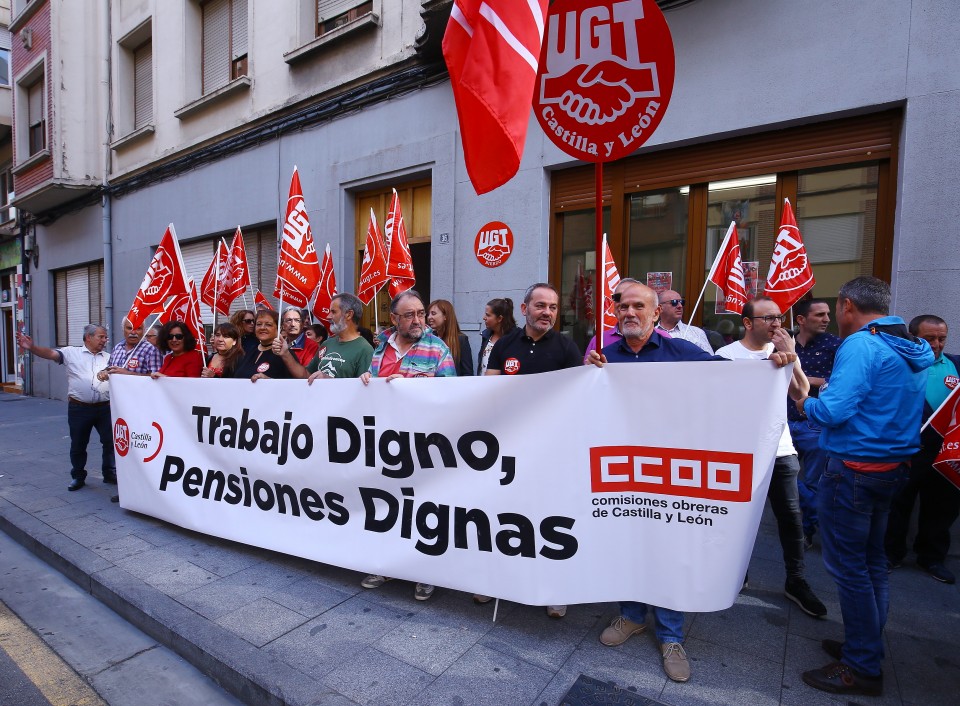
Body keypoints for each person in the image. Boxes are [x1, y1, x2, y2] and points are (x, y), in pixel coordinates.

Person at [588, 282, 799, 683]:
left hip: (669, 472)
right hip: (624, 472)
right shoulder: (606, 357)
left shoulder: (680, 352)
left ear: (656, 315)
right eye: (624, 307)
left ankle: (670, 635)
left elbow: (733, 381)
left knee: (667, 546)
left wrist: (771, 367)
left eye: (639, 307)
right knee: (628, 541)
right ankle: (631, 615)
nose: (629, 312)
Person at [798, 277, 933, 697]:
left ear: (846, 305)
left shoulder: (860, 344)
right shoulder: (912, 345)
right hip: (891, 468)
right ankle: (866, 646)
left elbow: (833, 411)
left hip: (854, 469)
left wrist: (804, 400)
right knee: (872, 563)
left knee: (851, 570)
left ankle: (860, 665)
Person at [716, 296, 827, 618]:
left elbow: (801, 394)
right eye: (767, 318)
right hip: (739, 451)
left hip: (779, 449)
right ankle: (735, 573)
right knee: (735, 518)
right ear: (748, 323)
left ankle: (797, 580)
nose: (776, 323)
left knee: (791, 518)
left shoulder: (783, 352)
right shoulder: (726, 355)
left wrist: (791, 360)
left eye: (778, 317)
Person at [485, 283, 581, 618]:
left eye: (553, 307)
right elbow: (489, 389)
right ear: (525, 309)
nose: (547, 313)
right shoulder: (504, 344)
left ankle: (555, 588)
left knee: (551, 518)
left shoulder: (567, 347)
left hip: (553, 449)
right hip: (511, 445)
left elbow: (579, 395)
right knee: (507, 515)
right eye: (540, 306)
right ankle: (498, 581)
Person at [358, 290, 455, 601]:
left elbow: (451, 395)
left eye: (421, 313)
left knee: (423, 507)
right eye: (410, 315)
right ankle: (386, 565)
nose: (418, 320)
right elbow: (372, 383)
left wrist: (418, 386)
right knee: (387, 504)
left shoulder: (438, 350)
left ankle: (425, 572)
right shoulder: (380, 347)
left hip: (422, 444)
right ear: (394, 318)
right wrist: (364, 381)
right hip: (385, 442)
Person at [885, 314, 960, 584]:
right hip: (907, 448)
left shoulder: (956, 365)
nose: (937, 344)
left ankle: (931, 558)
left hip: (946, 452)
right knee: (897, 503)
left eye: (942, 339)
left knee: (943, 507)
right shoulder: (900, 365)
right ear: (914, 337)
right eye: (930, 339)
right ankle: (891, 554)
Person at [16, 325, 114, 491]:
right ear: (88, 337)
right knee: (78, 444)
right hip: (79, 409)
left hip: (104, 408)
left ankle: (109, 473)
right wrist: (32, 347)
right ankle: (78, 476)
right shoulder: (71, 353)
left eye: (105, 337)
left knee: (110, 443)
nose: (105, 340)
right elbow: (50, 354)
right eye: (101, 337)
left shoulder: (110, 357)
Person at [788, 299, 841, 548]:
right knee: (785, 477)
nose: (827, 319)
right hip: (783, 421)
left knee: (813, 482)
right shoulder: (784, 344)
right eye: (820, 314)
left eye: (828, 314)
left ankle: (806, 531)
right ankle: (810, 520)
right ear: (801, 320)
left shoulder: (835, 345)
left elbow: (839, 382)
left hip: (814, 423)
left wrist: (800, 376)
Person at [306, 293, 374, 381]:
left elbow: (363, 389)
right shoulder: (327, 343)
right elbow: (307, 374)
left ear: (349, 314)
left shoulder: (365, 350)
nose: (328, 316)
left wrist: (329, 380)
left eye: (333, 312)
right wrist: (286, 354)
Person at [231, 310, 308, 381]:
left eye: (268, 325)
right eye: (258, 324)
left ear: (279, 328)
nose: (262, 328)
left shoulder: (285, 354)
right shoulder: (248, 351)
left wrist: (269, 381)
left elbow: (294, 385)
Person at [582, 278, 642, 363]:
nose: (624, 302)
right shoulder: (599, 340)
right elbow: (587, 374)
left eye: (631, 298)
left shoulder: (663, 339)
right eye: (618, 298)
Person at [655, 289, 713, 354]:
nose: (680, 306)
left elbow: (710, 361)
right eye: (674, 302)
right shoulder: (650, 334)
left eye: (682, 302)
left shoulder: (697, 333)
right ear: (660, 308)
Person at [428, 298, 474, 376]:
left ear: (445, 316)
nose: (429, 317)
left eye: (433, 313)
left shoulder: (461, 340)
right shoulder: (429, 339)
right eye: (428, 314)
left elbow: (467, 373)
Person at [476, 298, 517, 376]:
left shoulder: (515, 338)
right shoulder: (486, 336)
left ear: (499, 318)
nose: (484, 318)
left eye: (488, 315)